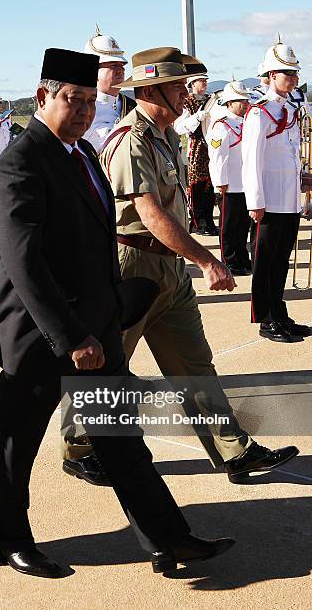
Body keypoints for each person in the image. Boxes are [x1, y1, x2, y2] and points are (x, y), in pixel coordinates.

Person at [0, 47, 235, 578]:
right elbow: (25, 264)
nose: (84, 112)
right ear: (44, 95)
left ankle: (169, 539)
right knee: (16, 446)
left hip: (95, 330)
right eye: (73, 100)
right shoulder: (19, 164)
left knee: (121, 442)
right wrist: (72, 335)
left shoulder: (84, 155)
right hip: (40, 336)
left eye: (92, 102)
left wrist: (108, 319)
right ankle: (9, 539)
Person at [96, 46, 298, 485]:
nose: (185, 95)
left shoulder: (165, 133)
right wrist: (207, 260)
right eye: (175, 87)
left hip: (169, 268)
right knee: (107, 364)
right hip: (134, 265)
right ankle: (83, 447)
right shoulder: (132, 140)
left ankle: (233, 451)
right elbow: (150, 213)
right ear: (150, 90)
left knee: (194, 364)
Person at [242, 41, 312, 343]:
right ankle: (265, 319)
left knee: (281, 260)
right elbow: (251, 160)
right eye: (287, 73)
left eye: (295, 73)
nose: (293, 78)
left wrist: (303, 177)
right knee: (265, 263)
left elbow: (291, 152)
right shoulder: (259, 112)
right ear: (271, 75)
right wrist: (255, 202)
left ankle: (279, 313)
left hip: (288, 198)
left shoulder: (290, 108)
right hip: (268, 200)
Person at [207, 80, 251, 275]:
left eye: (245, 100)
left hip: (245, 184)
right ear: (229, 103)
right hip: (229, 184)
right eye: (240, 101)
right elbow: (217, 156)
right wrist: (220, 182)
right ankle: (230, 261)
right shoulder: (221, 126)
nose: (244, 104)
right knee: (228, 226)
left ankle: (242, 258)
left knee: (243, 226)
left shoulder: (247, 122)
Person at [174, 72, 218, 235]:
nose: (204, 83)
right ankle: (198, 223)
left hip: (210, 147)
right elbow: (179, 127)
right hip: (195, 148)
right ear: (193, 84)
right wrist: (197, 119)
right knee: (197, 186)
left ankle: (208, 221)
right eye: (201, 81)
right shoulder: (187, 102)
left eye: (205, 80)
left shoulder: (209, 100)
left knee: (209, 187)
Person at [83, 25, 135, 152]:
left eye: (122, 65)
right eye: (113, 65)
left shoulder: (132, 106)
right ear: (93, 71)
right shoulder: (82, 109)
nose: (121, 70)